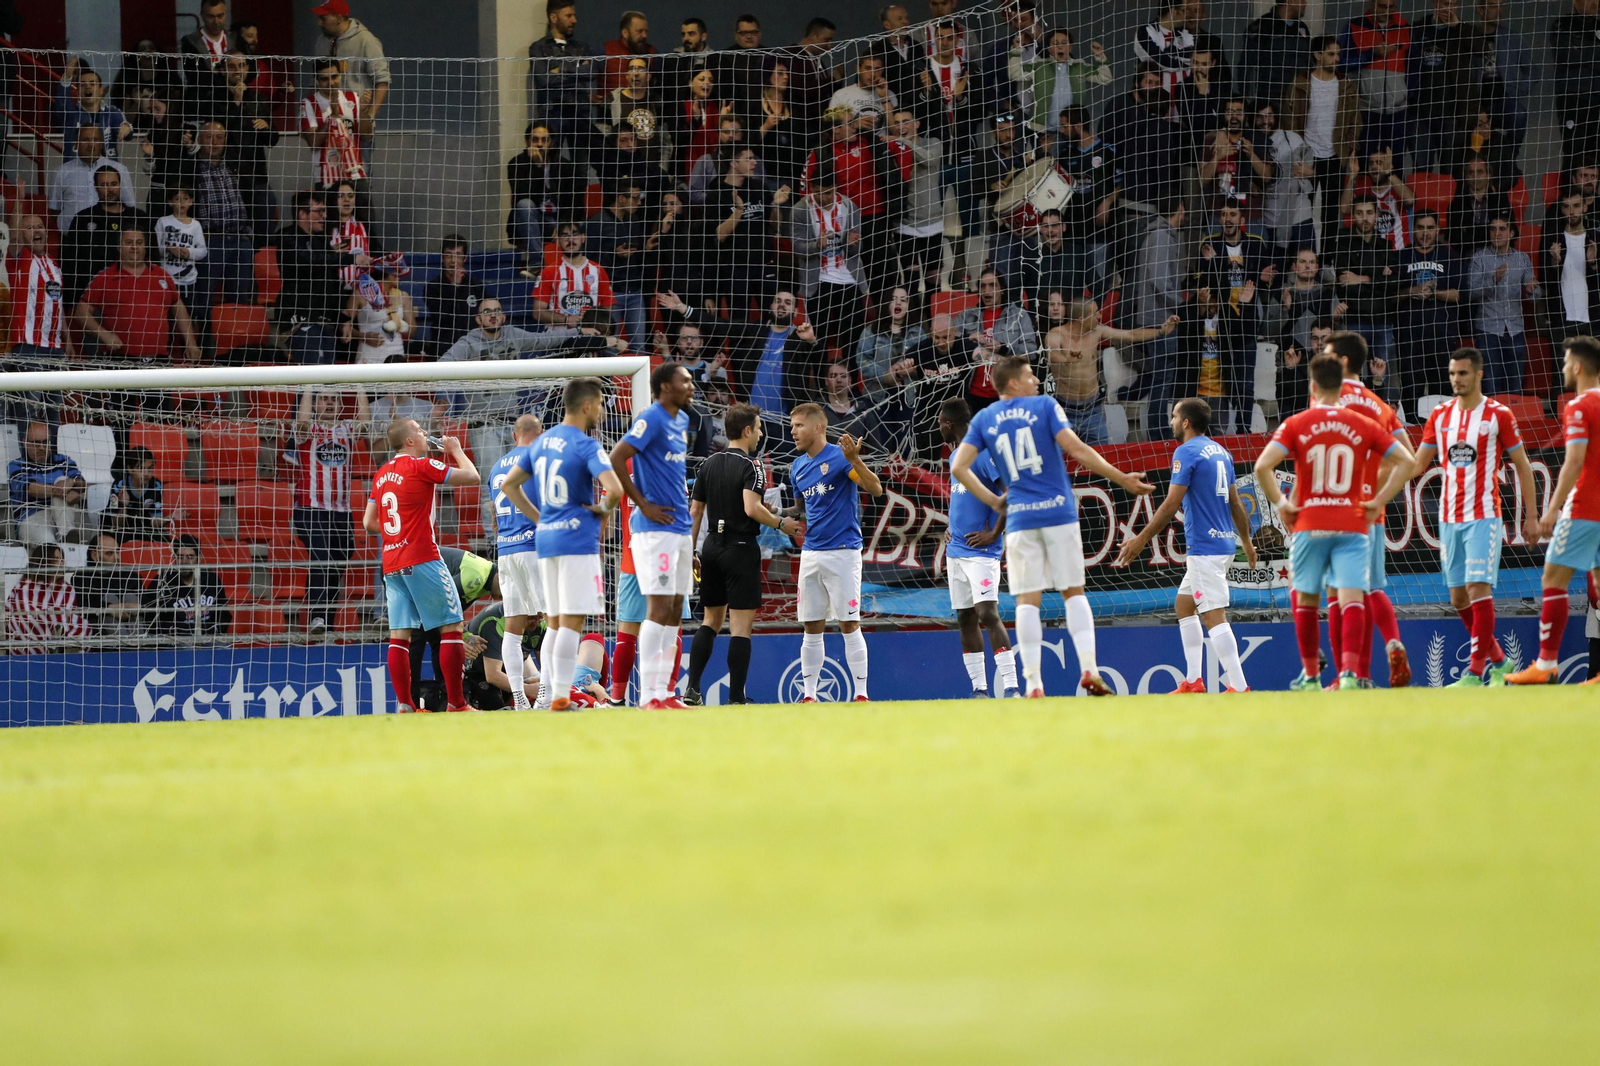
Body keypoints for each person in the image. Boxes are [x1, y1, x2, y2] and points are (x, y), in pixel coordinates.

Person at [952, 356, 1152, 696]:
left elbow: (958, 466)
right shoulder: (1044, 406)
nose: (1036, 381)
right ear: (1013, 383)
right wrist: (1121, 478)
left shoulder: (985, 418)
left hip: (1020, 520)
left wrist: (994, 501)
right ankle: (1089, 670)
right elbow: (1076, 448)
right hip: (1058, 513)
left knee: (1028, 601)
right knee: (1073, 592)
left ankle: (1033, 684)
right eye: (1030, 375)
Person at [1255, 353, 1414, 690]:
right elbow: (1407, 459)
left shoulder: (1297, 422)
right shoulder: (1363, 423)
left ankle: (1311, 675)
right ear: (1342, 387)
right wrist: (1378, 500)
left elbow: (1261, 467)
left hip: (1310, 524)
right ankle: (1350, 675)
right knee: (1353, 598)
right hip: (1352, 524)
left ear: (1312, 385)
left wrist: (1283, 503)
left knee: (1307, 599)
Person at [1407, 348, 1538, 685]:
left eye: (1463, 374)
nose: (1456, 380)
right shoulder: (1440, 414)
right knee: (1457, 597)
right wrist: (1377, 480)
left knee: (1478, 588)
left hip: (1484, 515)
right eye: (1453, 374)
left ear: (1479, 375)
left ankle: (1476, 672)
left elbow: (1523, 466)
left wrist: (1531, 516)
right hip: (1449, 518)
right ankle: (1500, 660)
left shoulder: (1498, 414)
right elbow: (1418, 464)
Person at [1117, 397, 1258, 692]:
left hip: (1205, 547)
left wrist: (1141, 539)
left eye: (1173, 416)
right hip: (1223, 544)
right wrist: (1245, 540)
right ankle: (1194, 680)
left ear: (1185, 422)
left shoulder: (1186, 452)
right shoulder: (1221, 452)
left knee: (1213, 615)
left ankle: (1240, 686)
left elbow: (1171, 504)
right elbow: (1235, 502)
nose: (1170, 422)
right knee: (1184, 605)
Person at [502, 378, 624, 711]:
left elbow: (511, 486)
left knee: (554, 621)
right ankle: (559, 695)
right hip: (575, 540)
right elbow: (614, 489)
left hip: (546, 540)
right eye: (599, 404)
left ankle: (551, 697)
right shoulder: (587, 445)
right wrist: (600, 512)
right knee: (571, 621)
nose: (601, 410)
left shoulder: (541, 443)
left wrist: (539, 518)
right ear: (586, 406)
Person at [363, 420, 480, 713]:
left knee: (400, 635)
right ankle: (457, 704)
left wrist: (397, 533)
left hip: (391, 563)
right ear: (409, 441)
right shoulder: (421, 466)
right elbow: (472, 476)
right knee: (452, 626)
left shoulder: (381, 475)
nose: (426, 434)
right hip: (422, 557)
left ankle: (405, 705)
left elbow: (368, 522)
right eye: (420, 431)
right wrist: (455, 449)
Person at [686, 403, 797, 705]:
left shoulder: (707, 464)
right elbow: (751, 508)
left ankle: (692, 689)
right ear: (747, 431)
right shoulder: (753, 466)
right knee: (740, 627)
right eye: (759, 427)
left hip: (711, 549)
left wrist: (690, 551)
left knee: (709, 620)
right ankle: (736, 697)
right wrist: (781, 524)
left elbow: (695, 511)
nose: (761, 433)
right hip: (741, 548)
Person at [1320, 331, 1414, 687]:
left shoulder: (1327, 398)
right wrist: (1379, 493)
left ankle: (1348, 676)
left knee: (1336, 597)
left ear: (1342, 361)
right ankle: (1383, 651)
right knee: (1370, 589)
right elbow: (1410, 458)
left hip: (1332, 509)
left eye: (1328, 356)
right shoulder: (1379, 404)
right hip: (1371, 512)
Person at [1508, 337, 1600, 685]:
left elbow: (1574, 460)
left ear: (1577, 366)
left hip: (1586, 509)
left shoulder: (1578, 407)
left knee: (1552, 580)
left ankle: (1545, 665)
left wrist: (1552, 509)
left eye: (1564, 362)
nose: (1561, 368)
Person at [608, 364, 695, 709]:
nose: (691, 386)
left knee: (675, 609)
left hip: (679, 527)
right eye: (684, 381)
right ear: (664, 386)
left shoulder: (683, 421)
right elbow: (616, 457)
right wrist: (641, 503)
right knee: (657, 608)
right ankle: (648, 696)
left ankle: (665, 693)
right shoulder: (652, 418)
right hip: (654, 530)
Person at [788, 404, 885, 702]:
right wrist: (777, 515)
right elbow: (801, 510)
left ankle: (860, 694)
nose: (793, 431)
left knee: (848, 622)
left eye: (799, 426)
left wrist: (855, 460)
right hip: (811, 553)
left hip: (843, 552)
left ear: (818, 428)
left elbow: (875, 489)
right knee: (812, 624)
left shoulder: (840, 459)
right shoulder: (797, 467)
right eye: (792, 426)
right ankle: (809, 695)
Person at [936, 398, 1019, 699]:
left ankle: (1011, 687)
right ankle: (980, 690)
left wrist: (993, 532)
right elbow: (963, 499)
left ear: (948, 423)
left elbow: (1010, 493)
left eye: (939, 423)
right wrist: (951, 526)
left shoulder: (983, 452)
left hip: (982, 551)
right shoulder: (956, 456)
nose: (938, 428)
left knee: (987, 612)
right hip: (956, 550)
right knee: (965, 618)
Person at [657, 289, 822, 424]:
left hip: (785, 421)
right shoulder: (755, 330)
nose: (782, 305)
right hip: (751, 420)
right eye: (778, 301)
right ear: (771, 305)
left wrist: (812, 341)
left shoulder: (799, 337)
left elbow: (818, 365)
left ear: (796, 311)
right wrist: (682, 308)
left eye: (788, 302)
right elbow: (720, 325)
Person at [288, 386, 368, 637]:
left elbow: (365, 423)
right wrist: (311, 386)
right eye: (324, 399)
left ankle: (326, 621)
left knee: (337, 564)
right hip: (310, 509)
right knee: (321, 558)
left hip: (341, 512)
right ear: (315, 404)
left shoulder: (345, 429)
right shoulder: (309, 429)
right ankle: (317, 616)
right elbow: (301, 421)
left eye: (334, 399)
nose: (330, 403)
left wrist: (361, 386)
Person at [1047, 297, 1179, 445]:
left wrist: (1161, 331)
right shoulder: (1056, 334)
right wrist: (1067, 359)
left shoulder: (1097, 331)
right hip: (1066, 411)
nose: (1099, 316)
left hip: (1093, 411)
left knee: (1103, 457)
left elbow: (1131, 335)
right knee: (1064, 461)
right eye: (1095, 313)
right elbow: (1052, 355)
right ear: (1081, 319)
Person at [1281, 36, 1362, 250]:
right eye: (1331, 54)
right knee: (1298, 212)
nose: (1337, 59)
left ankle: (1326, 261)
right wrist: (1295, 156)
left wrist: (1350, 151)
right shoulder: (1300, 83)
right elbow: (1289, 121)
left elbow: (1355, 121)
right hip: (1305, 156)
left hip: (1334, 156)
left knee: (1330, 214)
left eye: (1338, 54)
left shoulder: (1346, 85)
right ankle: (1296, 260)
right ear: (1318, 55)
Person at [487, 414, 546, 710]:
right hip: (535, 545)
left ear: (514, 435)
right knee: (555, 620)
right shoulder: (539, 458)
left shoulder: (497, 466)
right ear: (542, 432)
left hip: (506, 550)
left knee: (513, 629)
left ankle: (521, 700)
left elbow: (493, 515)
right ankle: (546, 695)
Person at [75, 228, 203, 364]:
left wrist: (191, 343)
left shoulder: (162, 275)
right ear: (119, 247)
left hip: (159, 360)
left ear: (145, 247)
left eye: (139, 242)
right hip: (118, 360)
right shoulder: (105, 277)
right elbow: (81, 312)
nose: (134, 247)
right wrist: (104, 335)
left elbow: (179, 310)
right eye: (129, 242)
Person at [277, 190, 371, 364]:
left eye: (325, 211)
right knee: (311, 382)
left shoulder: (321, 241)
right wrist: (350, 258)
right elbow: (310, 260)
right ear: (302, 214)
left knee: (327, 386)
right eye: (319, 211)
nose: (325, 215)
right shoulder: (287, 237)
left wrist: (344, 320)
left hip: (327, 323)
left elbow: (332, 281)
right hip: (301, 321)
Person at [790, 173, 865, 356]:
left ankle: (852, 382)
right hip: (817, 282)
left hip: (849, 279)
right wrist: (817, 245)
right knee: (817, 339)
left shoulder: (849, 206)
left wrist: (852, 243)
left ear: (836, 188)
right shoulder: (800, 209)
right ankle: (820, 382)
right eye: (818, 193)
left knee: (853, 339)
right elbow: (797, 247)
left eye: (828, 193)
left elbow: (858, 249)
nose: (823, 198)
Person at [1395, 210, 1463, 409]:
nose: (1425, 233)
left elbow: (1458, 294)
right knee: (1410, 394)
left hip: (1442, 337)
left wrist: (1434, 293)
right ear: (1413, 229)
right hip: (1409, 338)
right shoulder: (1401, 256)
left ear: (1438, 229)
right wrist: (1412, 290)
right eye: (1420, 228)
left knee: (1441, 394)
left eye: (1430, 228)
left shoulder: (1448, 254)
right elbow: (1390, 295)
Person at [1467, 214, 1539, 394]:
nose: (1497, 233)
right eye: (1493, 229)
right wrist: (1493, 280)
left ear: (1511, 233)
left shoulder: (1522, 258)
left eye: (1502, 229)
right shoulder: (1479, 258)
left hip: (1515, 330)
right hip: (1488, 331)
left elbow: (1536, 295)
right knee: (1490, 388)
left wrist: (1532, 291)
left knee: (1515, 389)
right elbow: (1470, 293)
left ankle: (1513, 423)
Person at [60, 166, 151, 303]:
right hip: (92, 299)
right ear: (96, 187)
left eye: (114, 184)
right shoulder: (83, 218)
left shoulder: (139, 218)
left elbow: (152, 258)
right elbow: (69, 262)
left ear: (120, 185)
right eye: (104, 185)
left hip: (134, 295)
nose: (110, 190)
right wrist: (72, 301)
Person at [1340, 0, 1411, 159]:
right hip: (1366, 109)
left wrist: (1409, 96)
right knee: (1364, 161)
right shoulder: (1354, 26)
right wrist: (1371, 54)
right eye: (1381, 6)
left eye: (1391, 7)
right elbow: (1340, 64)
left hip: (1398, 110)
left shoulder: (1405, 28)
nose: (1386, 11)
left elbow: (1415, 67)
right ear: (1371, 3)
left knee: (1395, 164)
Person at [527, 0, 595, 157]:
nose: (574, 20)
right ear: (554, 18)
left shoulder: (582, 47)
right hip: (552, 111)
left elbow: (591, 73)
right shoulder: (538, 48)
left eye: (574, 15)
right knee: (550, 160)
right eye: (569, 16)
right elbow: (544, 79)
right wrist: (576, 67)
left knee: (581, 166)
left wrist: (560, 69)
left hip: (580, 112)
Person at [584, 183, 649, 347]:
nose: (639, 203)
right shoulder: (597, 222)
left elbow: (637, 253)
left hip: (635, 291)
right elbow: (587, 260)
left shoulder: (634, 221)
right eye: (635, 198)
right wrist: (613, 255)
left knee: (639, 347)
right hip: (611, 294)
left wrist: (645, 248)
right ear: (621, 198)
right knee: (610, 345)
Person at [314, 0, 391, 134]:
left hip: (356, 122)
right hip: (326, 120)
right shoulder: (322, 42)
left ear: (338, 18)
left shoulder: (366, 41)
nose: (319, 23)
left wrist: (369, 118)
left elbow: (382, 82)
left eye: (323, 18)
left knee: (358, 155)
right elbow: (314, 82)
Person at [8, 422, 89, 547]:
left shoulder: (63, 460)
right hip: (32, 517)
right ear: (25, 442)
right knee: (48, 544)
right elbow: (30, 489)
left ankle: (66, 536)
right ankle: (62, 545)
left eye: (45, 442)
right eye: (36, 443)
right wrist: (63, 490)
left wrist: (71, 482)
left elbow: (82, 483)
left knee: (63, 478)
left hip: (61, 516)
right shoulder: (16, 465)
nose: (41, 447)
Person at [48, 126, 137, 233]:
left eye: (95, 139)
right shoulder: (61, 172)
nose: (91, 144)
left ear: (102, 144)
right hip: (72, 238)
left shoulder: (120, 170)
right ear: (76, 144)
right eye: (85, 139)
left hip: (110, 237)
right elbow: (54, 210)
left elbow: (129, 206)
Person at [144, 534, 232, 639]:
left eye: (190, 557)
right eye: (180, 557)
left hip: (209, 640)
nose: (184, 562)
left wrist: (211, 634)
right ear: (174, 559)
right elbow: (150, 618)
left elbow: (223, 615)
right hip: (175, 643)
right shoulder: (161, 582)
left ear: (199, 558)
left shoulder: (212, 580)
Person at [6, 544, 89, 653]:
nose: (61, 564)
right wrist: (49, 619)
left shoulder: (67, 589)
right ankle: (55, 644)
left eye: (62, 560)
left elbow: (70, 614)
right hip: (31, 628)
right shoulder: (24, 587)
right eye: (55, 560)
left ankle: (64, 645)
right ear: (43, 563)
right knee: (24, 618)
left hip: (60, 625)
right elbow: (19, 609)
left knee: (82, 623)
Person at [532, 223, 615, 327]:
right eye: (565, 236)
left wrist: (592, 316)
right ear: (558, 241)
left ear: (583, 238)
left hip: (591, 338)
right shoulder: (548, 272)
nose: (570, 240)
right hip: (559, 339)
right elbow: (538, 312)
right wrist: (566, 319)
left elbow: (608, 307)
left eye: (575, 235)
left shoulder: (598, 270)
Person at [300, 59, 367, 190]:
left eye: (334, 77)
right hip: (325, 175)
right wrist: (332, 118)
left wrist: (364, 110)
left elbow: (367, 135)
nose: (331, 83)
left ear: (341, 75)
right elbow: (313, 142)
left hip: (354, 172)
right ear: (317, 80)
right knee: (330, 211)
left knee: (363, 210)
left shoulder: (354, 98)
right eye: (324, 79)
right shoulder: (308, 103)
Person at [462, 601, 541, 710]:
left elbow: (548, 667)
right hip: (480, 673)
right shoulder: (494, 622)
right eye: (531, 618)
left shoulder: (541, 623)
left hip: (513, 668)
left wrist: (539, 680)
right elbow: (493, 675)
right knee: (495, 708)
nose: (535, 623)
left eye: (539, 618)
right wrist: (527, 689)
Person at [55, 57, 132, 163]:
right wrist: (67, 78)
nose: (88, 87)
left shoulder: (112, 113)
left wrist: (127, 128)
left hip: (107, 172)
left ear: (101, 91)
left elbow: (128, 133)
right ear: (77, 93)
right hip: (75, 170)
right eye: (82, 85)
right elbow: (61, 102)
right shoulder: (71, 112)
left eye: (92, 84)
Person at [154, 184, 207, 329]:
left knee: (188, 319)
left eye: (185, 199)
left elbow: (202, 251)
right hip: (166, 281)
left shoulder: (195, 225)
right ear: (170, 202)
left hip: (188, 282)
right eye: (177, 199)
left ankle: (187, 349)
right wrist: (168, 249)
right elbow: (154, 248)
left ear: (191, 201)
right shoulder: (163, 222)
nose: (181, 203)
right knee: (166, 321)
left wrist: (189, 252)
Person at [422, 234, 486, 355]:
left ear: (465, 258)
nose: (453, 260)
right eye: (448, 255)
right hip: (444, 351)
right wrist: (455, 287)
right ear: (442, 258)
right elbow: (442, 317)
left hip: (473, 350)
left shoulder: (476, 285)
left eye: (458, 255)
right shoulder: (433, 287)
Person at [1243, 0, 1313, 109]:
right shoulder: (1262, 27)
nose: (1306, 3)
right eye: (1302, 0)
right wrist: (1250, 102)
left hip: (1298, 99)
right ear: (1290, 1)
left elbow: (1308, 63)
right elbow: (1249, 67)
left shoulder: (1302, 28)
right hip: (1270, 101)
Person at [73, 534, 145, 639]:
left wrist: (133, 607)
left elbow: (147, 602)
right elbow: (82, 604)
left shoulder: (131, 577)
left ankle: (136, 643)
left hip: (133, 624)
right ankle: (125, 645)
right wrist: (109, 608)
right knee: (109, 598)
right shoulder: (81, 577)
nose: (116, 558)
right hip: (101, 631)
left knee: (131, 597)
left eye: (117, 552)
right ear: (95, 555)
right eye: (109, 553)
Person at [106, 445, 178, 542]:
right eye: (141, 469)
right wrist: (123, 505)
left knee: (162, 538)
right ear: (130, 469)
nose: (147, 473)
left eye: (150, 468)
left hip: (145, 526)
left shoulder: (156, 485)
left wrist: (171, 517)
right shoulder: (119, 485)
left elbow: (155, 521)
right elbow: (116, 525)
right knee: (117, 537)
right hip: (123, 526)